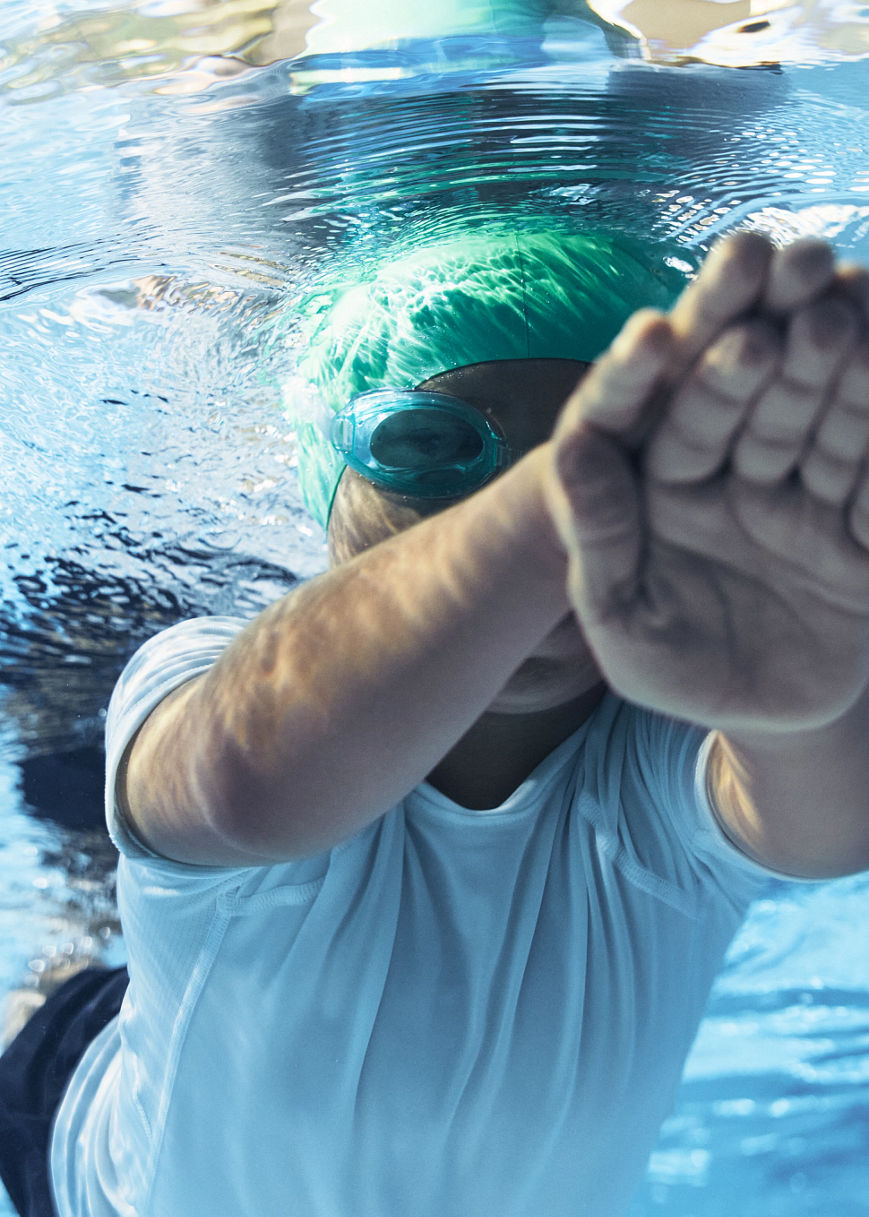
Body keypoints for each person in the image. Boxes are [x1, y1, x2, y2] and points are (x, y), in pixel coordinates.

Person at [3, 223, 869, 1217]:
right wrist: (563, 504)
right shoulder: (204, 667)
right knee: (61, 974)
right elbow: (241, 780)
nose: (542, 520)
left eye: (616, 472)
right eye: (431, 445)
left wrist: (805, 709)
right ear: (322, 484)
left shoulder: (659, 762)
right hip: (82, 1154)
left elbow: (821, 824)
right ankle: (70, 944)